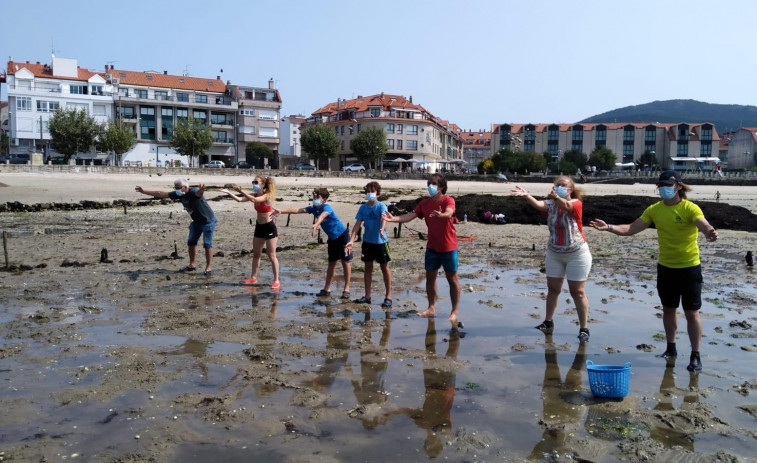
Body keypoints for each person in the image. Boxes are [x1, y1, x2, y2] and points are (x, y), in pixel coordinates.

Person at [589, 170, 718, 372]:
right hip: (666, 268)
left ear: (678, 187)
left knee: (691, 313)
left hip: (689, 268)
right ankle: (671, 348)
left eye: (668, 185)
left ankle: (695, 355)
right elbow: (631, 229)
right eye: (661, 186)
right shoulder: (655, 210)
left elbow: (703, 224)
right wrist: (609, 227)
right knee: (668, 309)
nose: (664, 189)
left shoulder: (689, 208)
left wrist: (709, 232)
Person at [511, 176, 593, 340]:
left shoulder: (576, 203)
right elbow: (538, 204)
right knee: (553, 289)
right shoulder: (551, 204)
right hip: (554, 252)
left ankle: (584, 328)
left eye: (564, 185)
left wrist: (556, 197)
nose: (561, 187)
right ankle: (548, 322)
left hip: (576, 253)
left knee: (577, 292)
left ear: (570, 189)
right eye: (558, 185)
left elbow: (567, 205)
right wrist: (527, 195)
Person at [385, 173, 461, 330]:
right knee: (430, 278)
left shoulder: (448, 200)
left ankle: (454, 311)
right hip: (432, 246)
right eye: (428, 183)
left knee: (452, 279)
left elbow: (449, 212)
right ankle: (431, 307)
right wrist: (393, 219)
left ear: (441, 187)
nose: (429, 186)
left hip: (448, 247)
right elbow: (410, 216)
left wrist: (442, 215)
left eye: (433, 183)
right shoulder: (424, 203)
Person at [276, 188, 352, 298]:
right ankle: (327, 288)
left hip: (342, 236)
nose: (315, 199)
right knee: (331, 263)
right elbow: (298, 210)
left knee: (345, 262)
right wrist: (281, 211)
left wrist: (316, 224)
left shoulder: (327, 207)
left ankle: (347, 288)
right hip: (332, 239)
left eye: (317, 197)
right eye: (314, 197)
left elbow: (323, 215)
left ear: (324, 199)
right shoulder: (314, 208)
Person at [135, 179, 216, 276]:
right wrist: (143, 191)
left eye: (178, 188)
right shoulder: (179, 194)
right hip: (196, 222)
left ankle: (208, 268)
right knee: (191, 242)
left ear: (185, 187)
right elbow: (160, 193)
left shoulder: (193, 191)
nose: (176, 190)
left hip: (208, 221)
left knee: (207, 244)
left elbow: (198, 194)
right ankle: (192, 265)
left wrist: (201, 190)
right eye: (175, 188)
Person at [219, 175, 280, 289]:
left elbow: (255, 200)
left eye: (256, 182)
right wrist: (228, 192)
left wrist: (241, 191)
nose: (254, 184)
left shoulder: (267, 195)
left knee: (271, 255)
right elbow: (240, 199)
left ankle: (276, 280)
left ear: (263, 184)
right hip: (259, 227)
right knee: (256, 254)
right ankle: (253, 277)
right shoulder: (254, 194)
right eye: (253, 182)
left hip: (269, 227)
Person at [346, 181, 393, 307]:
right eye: (367, 192)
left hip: (381, 242)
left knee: (384, 268)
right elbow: (357, 225)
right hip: (367, 242)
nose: (369, 194)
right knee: (367, 268)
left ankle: (388, 296)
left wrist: (382, 228)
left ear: (378, 193)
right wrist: (351, 240)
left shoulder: (381, 206)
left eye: (372, 191)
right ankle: (367, 296)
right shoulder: (363, 208)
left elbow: (384, 218)